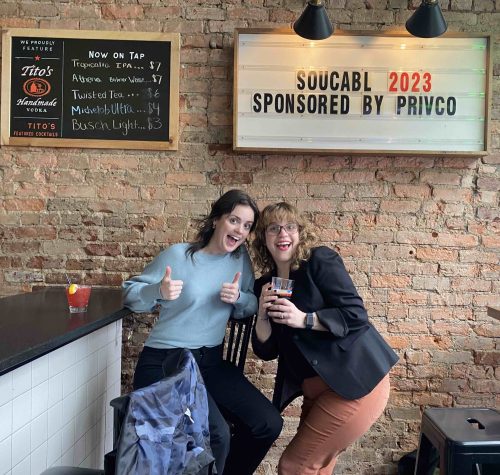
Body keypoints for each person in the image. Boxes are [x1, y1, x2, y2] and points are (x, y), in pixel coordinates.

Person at [123, 189, 283, 475]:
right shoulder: (179, 255)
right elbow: (130, 295)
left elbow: (248, 305)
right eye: (234, 221)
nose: (241, 231)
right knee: (217, 434)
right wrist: (156, 290)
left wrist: (240, 299)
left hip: (209, 362)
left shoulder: (239, 260)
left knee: (268, 424)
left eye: (247, 225)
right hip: (166, 361)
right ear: (215, 221)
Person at [251, 202, 399, 475]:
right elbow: (268, 350)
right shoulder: (266, 284)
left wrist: (304, 319)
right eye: (273, 228)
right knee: (318, 468)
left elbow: (355, 316)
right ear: (263, 238)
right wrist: (261, 314)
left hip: (355, 381)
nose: (282, 234)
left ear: (299, 233)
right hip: (315, 389)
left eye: (290, 227)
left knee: (294, 465)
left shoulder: (318, 261)